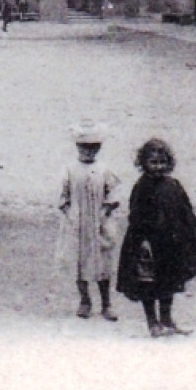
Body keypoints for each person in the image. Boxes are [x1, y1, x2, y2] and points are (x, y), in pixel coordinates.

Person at [116, 137, 196, 337]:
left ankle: (167, 320)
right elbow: (135, 216)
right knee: (148, 284)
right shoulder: (142, 187)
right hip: (148, 244)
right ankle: (153, 323)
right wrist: (142, 241)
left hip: (170, 244)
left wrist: (188, 236)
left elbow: (185, 210)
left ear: (169, 163)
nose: (158, 167)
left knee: (169, 282)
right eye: (153, 163)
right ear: (143, 163)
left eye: (163, 162)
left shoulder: (173, 185)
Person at [57, 123, 121, 321]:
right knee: (79, 263)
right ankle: (85, 300)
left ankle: (106, 303)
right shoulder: (69, 169)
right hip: (77, 224)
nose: (88, 151)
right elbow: (62, 198)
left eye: (93, 147)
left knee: (102, 262)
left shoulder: (104, 170)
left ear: (99, 148)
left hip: (99, 223)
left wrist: (106, 211)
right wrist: (70, 215)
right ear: (77, 147)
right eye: (84, 147)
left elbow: (113, 193)